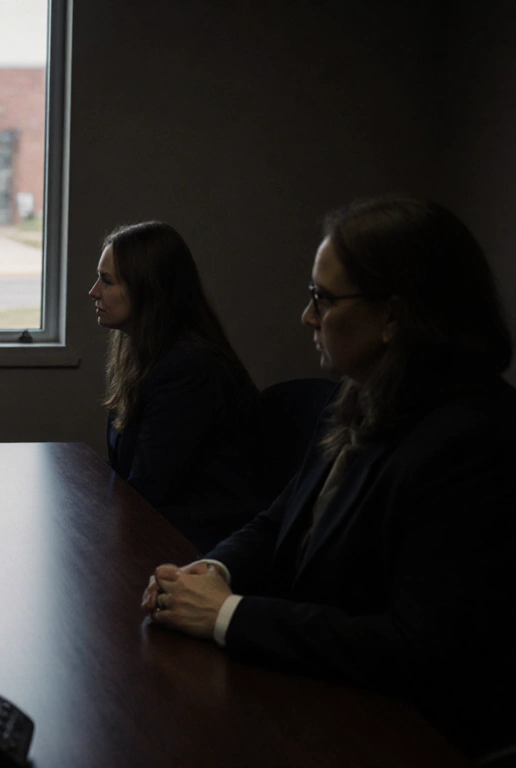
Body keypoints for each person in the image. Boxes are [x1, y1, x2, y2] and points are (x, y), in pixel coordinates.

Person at [140, 196, 515, 759]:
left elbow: (415, 648)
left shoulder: (476, 438)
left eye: (324, 298)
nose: (307, 317)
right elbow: (278, 521)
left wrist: (226, 614)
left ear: (395, 315)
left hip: (405, 734)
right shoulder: (363, 391)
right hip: (319, 692)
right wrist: (208, 571)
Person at [89, 221, 260, 548]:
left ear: (147, 290)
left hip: (197, 541)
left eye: (107, 281)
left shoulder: (187, 367)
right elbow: (126, 477)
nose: (94, 292)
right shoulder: (142, 353)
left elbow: (149, 490)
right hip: (156, 525)